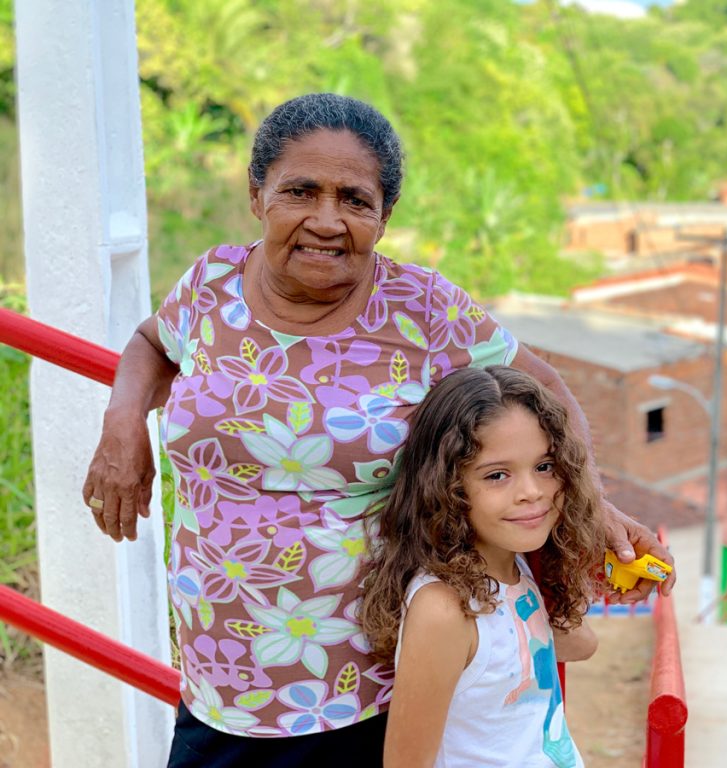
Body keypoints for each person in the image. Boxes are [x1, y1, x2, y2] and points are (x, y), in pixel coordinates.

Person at [79, 93, 671, 765]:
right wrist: (124, 421)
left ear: (384, 216)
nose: (326, 221)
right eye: (300, 191)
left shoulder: (422, 309)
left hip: (362, 695)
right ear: (257, 194)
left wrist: (595, 508)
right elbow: (151, 343)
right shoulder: (211, 283)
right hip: (218, 689)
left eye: (355, 200)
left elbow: (547, 395)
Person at [362, 366, 601, 767]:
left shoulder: (515, 569)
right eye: (497, 475)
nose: (532, 493)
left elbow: (582, 644)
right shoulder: (444, 608)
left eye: (544, 466)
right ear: (446, 487)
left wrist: (565, 567)